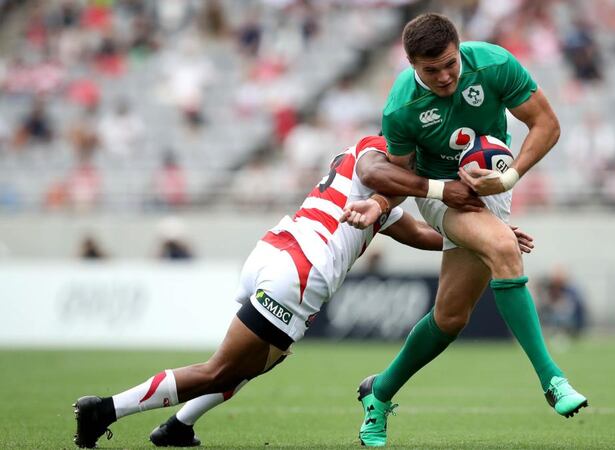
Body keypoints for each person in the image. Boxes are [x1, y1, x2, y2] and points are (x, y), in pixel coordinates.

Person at [72, 135, 532, 448]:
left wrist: (491, 234)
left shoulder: (379, 183)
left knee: (262, 359)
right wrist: (437, 186)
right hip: (302, 270)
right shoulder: (379, 155)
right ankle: (106, 410)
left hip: (277, 250)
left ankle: (178, 425)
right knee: (219, 371)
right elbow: (379, 175)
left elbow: (422, 235)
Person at [343, 13, 588, 447]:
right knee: (502, 247)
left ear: (460, 48)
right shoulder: (401, 106)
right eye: (429, 70)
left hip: (494, 188)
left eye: (449, 64)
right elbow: (402, 177)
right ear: (411, 65)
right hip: (442, 196)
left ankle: (378, 395)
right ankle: (553, 380)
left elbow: (547, 124)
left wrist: (508, 178)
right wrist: (382, 203)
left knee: (450, 317)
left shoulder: (493, 64)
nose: (443, 77)